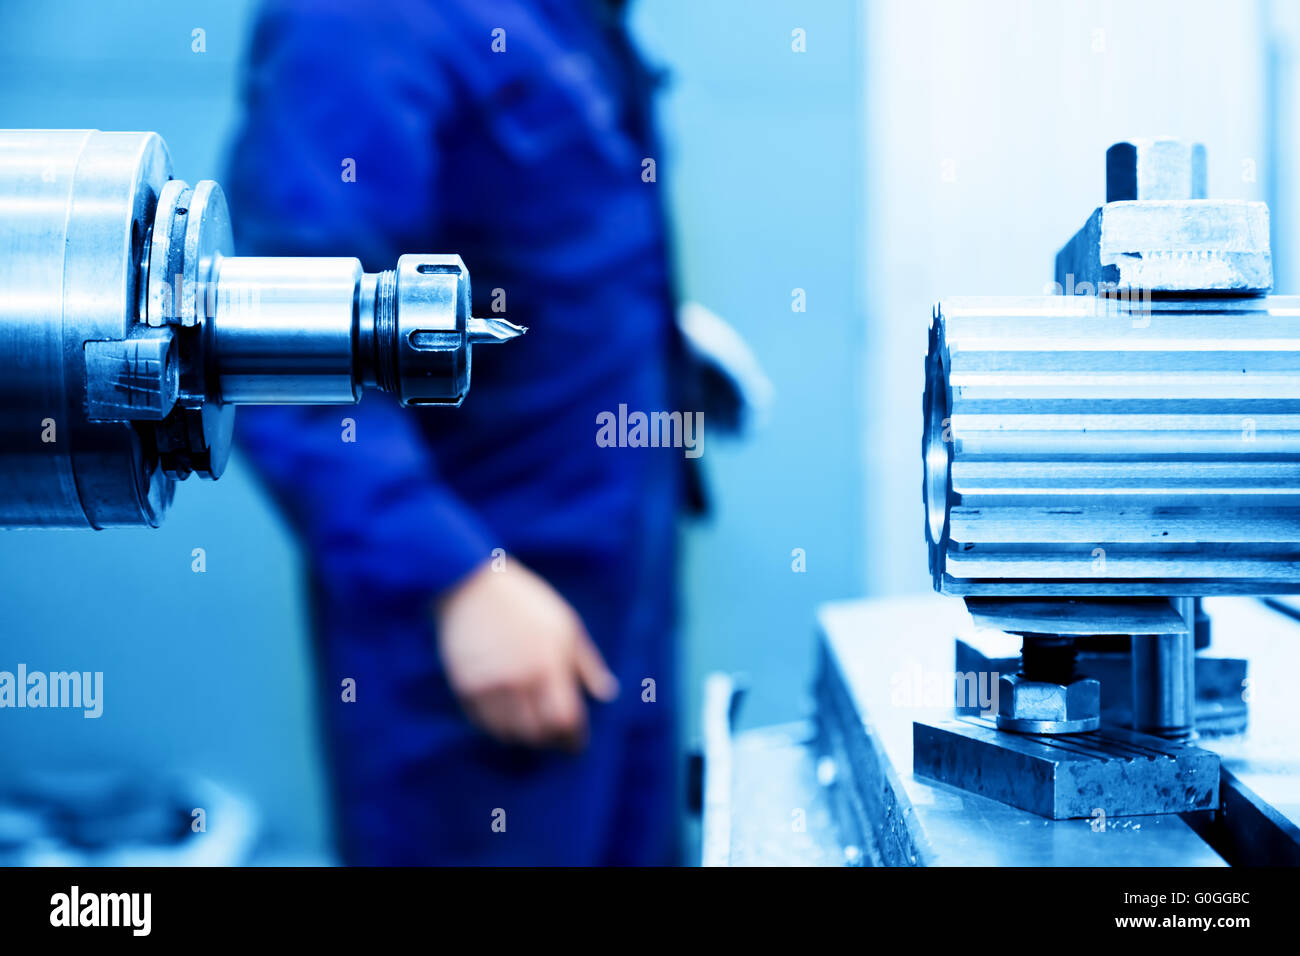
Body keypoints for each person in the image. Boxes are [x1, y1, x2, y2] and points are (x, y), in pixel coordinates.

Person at [224, 0, 684, 865]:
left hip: (623, 597)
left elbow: (546, 251)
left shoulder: (569, 19)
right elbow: (277, 352)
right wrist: (457, 581)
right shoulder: (354, 24)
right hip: (472, 632)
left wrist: (666, 349)